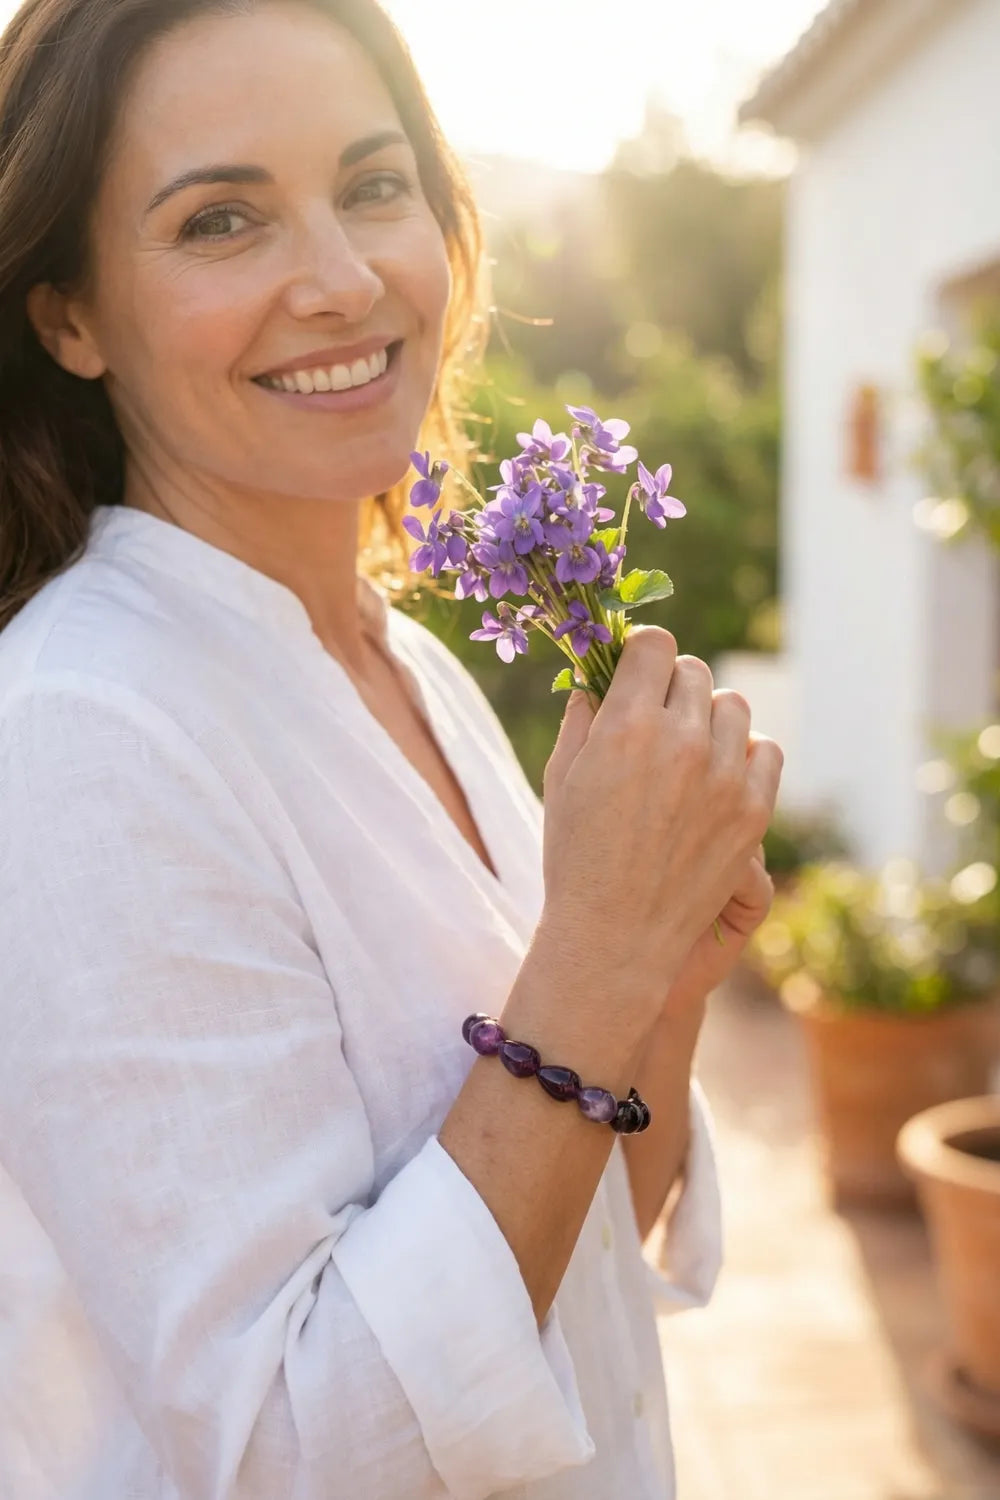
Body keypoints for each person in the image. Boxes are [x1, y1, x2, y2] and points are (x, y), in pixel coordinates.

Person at [0, 0, 784, 1494]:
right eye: (223, 220)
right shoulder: (78, 734)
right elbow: (297, 1447)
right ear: (70, 317)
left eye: (374, 186)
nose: (346, 280)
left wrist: (661, 987)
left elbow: (590, 1240)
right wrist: (598, 952)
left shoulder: (411, 661)